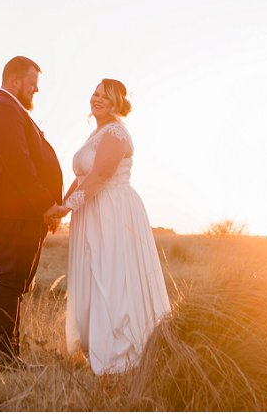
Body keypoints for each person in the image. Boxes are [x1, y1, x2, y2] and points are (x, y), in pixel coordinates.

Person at [60, 79, 171, 375]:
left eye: (105, 97)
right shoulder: (95, 134)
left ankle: (119, 355)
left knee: (112, 275)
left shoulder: (116, 132)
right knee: (93, 273)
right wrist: (61, 205)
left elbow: (100, 176)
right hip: (91, 209)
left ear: (116, 104)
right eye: (95, 93)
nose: (97, 99)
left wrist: (67, 207)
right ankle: (94, 344)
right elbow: (83, 177)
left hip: (113, 210)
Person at [0, 56, 65, 371]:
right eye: (32, 83)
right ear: (14, 81)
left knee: (16, 286)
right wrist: (47, 205)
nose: (36, 90)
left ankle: (11, 353)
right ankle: (5, 357)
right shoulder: (2, 108)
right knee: (10, 283)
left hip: (22, 214)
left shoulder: (11, 109)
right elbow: (18, 163)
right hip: (11, 214)